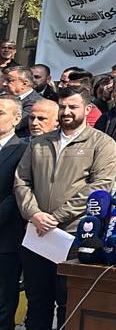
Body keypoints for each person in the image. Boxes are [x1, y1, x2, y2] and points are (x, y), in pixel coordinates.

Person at [14, 87, 116, 330]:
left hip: (73, 235)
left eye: (73, 106)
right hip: (37, 234)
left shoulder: (101, 143)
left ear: (88, 109)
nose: (67, 111)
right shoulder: (39, 143)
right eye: (62, 106)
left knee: (68, 303)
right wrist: (34, 214)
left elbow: (99, 187)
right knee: (37, 302)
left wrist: (56, 217)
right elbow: (21, 180)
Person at [0, 95, 28, 330]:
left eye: (0, 113)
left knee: (3, 301)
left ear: (16, 119)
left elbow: (15, 192)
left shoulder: (22, 150)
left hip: (5, 239)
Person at [3, 66, 42, 138]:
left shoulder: (36, 103)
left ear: (24, 83)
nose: (4, 84)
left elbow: (14, 124)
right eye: (4, 80)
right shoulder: (4, 97)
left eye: (9, 80)